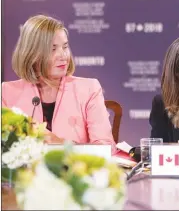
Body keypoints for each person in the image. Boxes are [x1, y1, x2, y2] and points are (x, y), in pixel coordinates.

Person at [1, 15, 117, 154]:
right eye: (53, 49)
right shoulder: (7, 92)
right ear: (32, 54)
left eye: (65, 47)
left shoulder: (89, 89)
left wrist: (59, 143)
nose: (63, 55)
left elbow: (106, 148)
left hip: (75, 172)